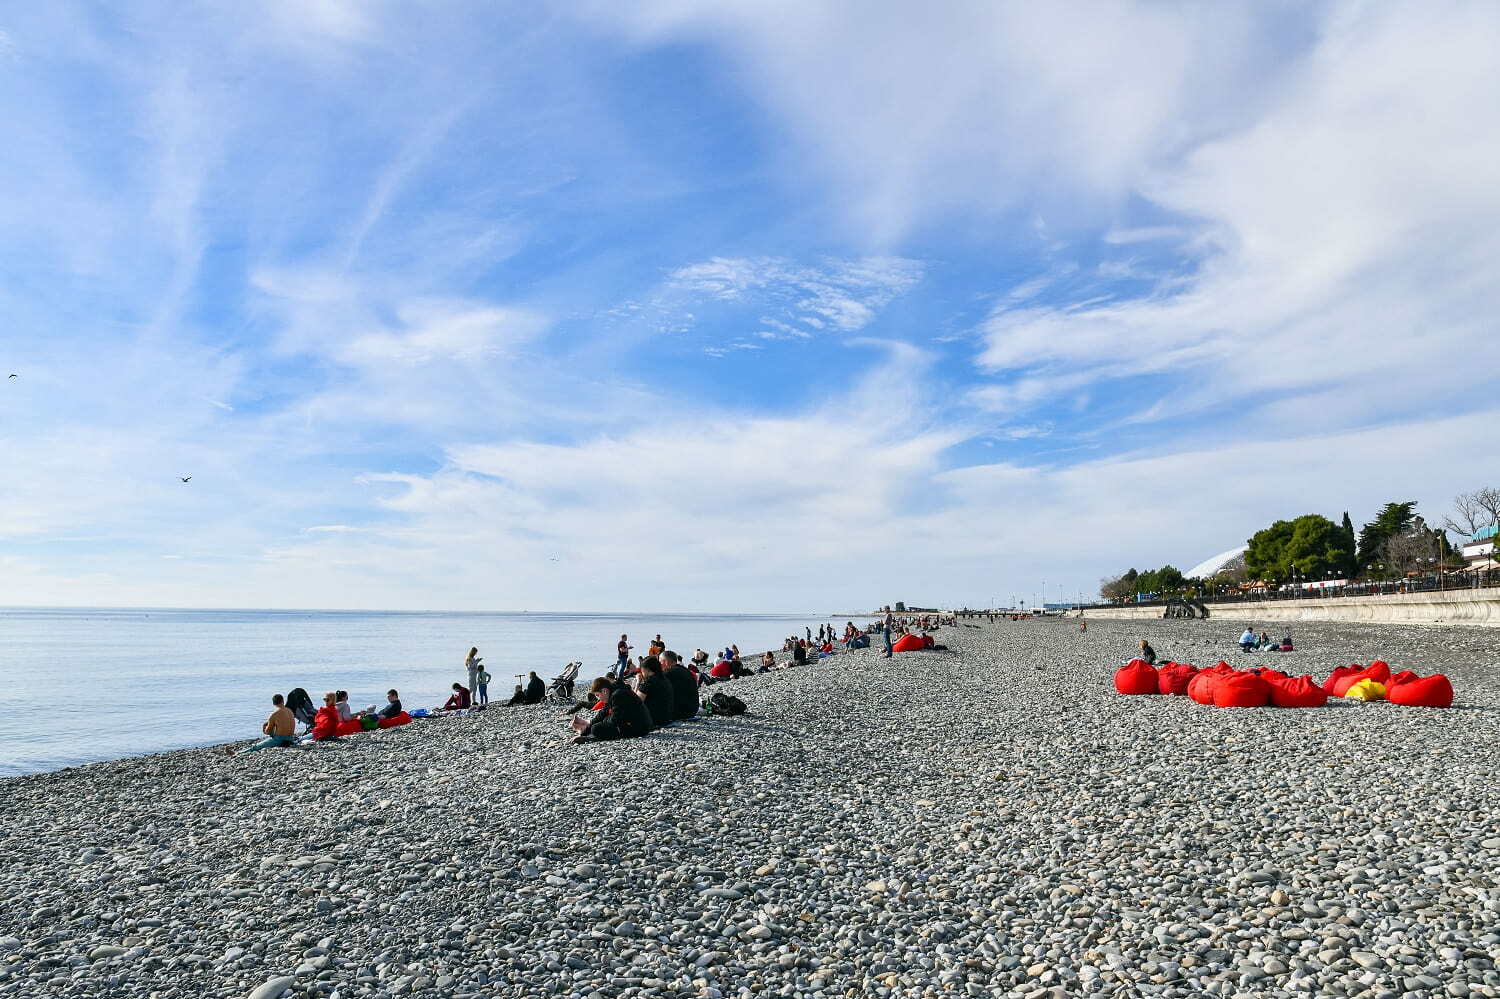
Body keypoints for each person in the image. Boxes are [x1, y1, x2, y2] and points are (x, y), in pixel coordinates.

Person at [570, 676, 652, 742]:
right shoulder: (613, 692)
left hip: (639, 728)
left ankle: (590, 735)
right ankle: (587, 731)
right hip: (638, 724)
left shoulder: (618, 695)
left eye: (598, 695)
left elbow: (616, 719)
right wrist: (588, 728)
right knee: (598, 724)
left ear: (604, 691)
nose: (598, 699)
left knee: (597, 728)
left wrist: (592, 727)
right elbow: (603, 713)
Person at [227, 693, 298, 756]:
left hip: (280, 740)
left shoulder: (274, 714)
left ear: (273, 703)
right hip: (290, 738)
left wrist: (264, 727)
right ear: (283, 701)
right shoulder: (290, 711)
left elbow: (268, 732)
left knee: (256, 747)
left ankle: (237, 754)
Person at [635, 658, 675, 728]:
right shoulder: (665, 679)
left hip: (653, 719)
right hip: (667, 718)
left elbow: (636, 702)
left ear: (646, 669)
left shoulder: (648, 682)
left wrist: (637, 683)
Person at [660, 651, 699, 720]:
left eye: (660, 662)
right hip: (692, 711)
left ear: (666, 662)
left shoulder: (669, 673)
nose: (659, 665)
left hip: (680, 713)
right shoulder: (685, 670)